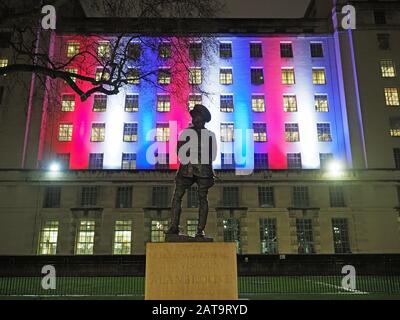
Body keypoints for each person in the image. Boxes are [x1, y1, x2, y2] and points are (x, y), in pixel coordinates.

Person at [165, 104, 217, 238]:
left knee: (202, 198)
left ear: (203, 119)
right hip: (186, 170)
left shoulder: (210, 135)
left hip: (203, 171)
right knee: (177, 196)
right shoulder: (185, 133)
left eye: (197, 116)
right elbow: (179, 151)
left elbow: (213, 155)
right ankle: (174, 227)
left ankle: (200, 231)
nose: (194, 118)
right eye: (193, 116)